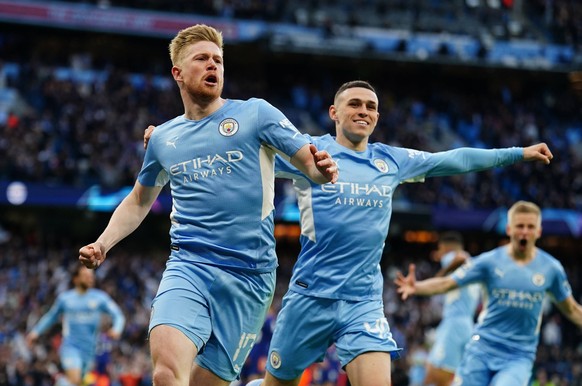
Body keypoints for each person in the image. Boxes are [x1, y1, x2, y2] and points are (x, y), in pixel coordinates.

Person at [145, 80, 554, 386]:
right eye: (354, 104)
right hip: (309, 298)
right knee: (277, 383)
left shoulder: (391, 161)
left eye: (371, 106)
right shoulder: (308, 153)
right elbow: (236, 148)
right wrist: (171, 136)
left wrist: (518, 153)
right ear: (333, 113)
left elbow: (456, 159)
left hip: (362, 301)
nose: (364, 110)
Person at [78, 24, 338, 386]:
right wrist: (103, 242)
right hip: (190, 265)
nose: (213, 65)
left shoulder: (256, 115)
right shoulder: (164, 138)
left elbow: (308, 163)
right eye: (202, 59)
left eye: (218, 59)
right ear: (178, 73)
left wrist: (322, 170)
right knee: (167, 373)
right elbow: (139, 200)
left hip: (250, 278)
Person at [395, 201, 582, 386]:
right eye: (520, 226)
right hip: (482, 349)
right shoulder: (490, 262)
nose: (524, 231)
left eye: (530, 226)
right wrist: (417, 287)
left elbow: (572, 309)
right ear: (509, 229)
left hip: (518, 356)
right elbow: (448, 283)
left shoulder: (551, 268)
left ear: (539, 231)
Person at [25, 265, 125, 386]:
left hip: (89, 350)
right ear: (76, 279)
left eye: (91, 276)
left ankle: (60, 382)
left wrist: (117, 329)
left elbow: (118, 315)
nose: (90, 279)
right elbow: (51, 316)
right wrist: (35, 332)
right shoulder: (65, 299)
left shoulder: (100, 298)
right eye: (86, 276)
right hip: (70, 346)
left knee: (77, 382)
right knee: (75, 379)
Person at [423, 231, 480, 386]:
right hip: (466, 323)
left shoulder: (454, 258)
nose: (439, 254)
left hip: (454, 323)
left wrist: (439, 279)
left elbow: (460, 258)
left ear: (446, 248)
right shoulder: (474, 265)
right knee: (449, 375)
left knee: (435, 373)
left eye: (440, 249)